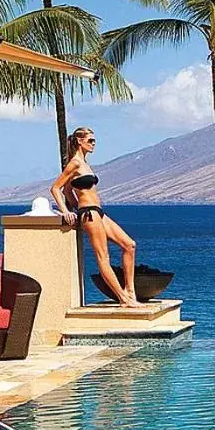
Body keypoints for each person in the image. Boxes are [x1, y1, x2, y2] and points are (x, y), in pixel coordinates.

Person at [50, 126, 140, 307]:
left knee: (129, 245)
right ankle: (123, 299)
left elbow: (69, 189)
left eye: (94, 141)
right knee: (103, 257)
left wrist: (74, 204)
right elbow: (56, 188)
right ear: (79, 141)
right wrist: (67, 211)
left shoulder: (84, 164)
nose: (93, 144)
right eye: (90, 140)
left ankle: (130, 291)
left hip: (98, 212)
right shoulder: (74, 163)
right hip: (89, 214)